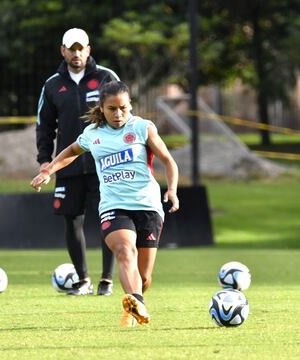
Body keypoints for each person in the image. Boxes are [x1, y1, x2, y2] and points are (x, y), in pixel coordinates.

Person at [31, 81, 179, 327]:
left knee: (144, 276)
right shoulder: (93, 134)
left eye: (123, 107)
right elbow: (69, 152)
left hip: (148, 205)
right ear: (102, 108)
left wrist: (172, 190)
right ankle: (136, 302)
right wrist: (49, 170)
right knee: (124, 250)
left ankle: (134, 302)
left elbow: (168, 160)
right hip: (113, 205)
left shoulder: (143, 128)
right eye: (112, 109)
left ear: (130, 105)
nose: (119, 114)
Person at [36, 28, 120, 296]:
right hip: (69, 163)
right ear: (63, 51)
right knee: (72, 220)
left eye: (80, 48)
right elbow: (44, 125)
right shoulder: (52, 85)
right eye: (71, 49)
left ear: (88, 50)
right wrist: (44, 161)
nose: (76, 53)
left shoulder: (107, 78)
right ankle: (83, 280)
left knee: (108, 218)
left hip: (104, 164)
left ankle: (106, 280)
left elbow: (124, 117)